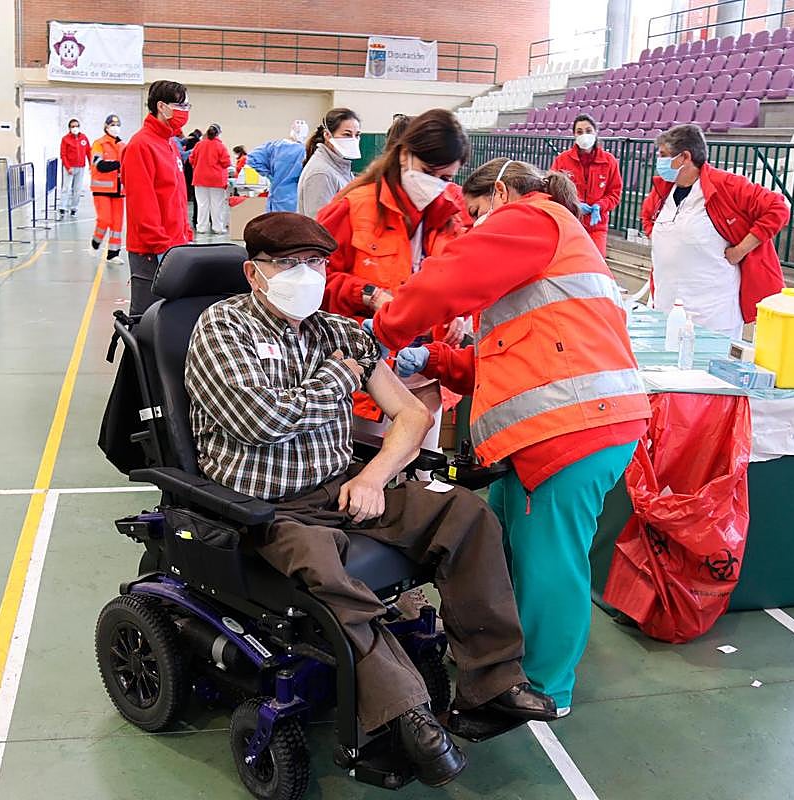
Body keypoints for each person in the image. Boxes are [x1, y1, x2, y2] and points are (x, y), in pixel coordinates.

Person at [184, 211, 557, 786]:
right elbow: (263, 422)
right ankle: (406, 714)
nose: (305, 275)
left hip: (342, 488)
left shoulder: (334, 330)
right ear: (255, 274)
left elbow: (409, 412)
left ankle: (492, 685)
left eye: (315, 264)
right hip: (265, 509)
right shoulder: (221, 329)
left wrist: (376, 476)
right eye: (289, 264)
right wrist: (337, 378)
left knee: (465, 513)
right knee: (330, 575)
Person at [369, 158, 652, 716]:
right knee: (501, 542)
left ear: (499, 193)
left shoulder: (530, 218)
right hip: (574, 424)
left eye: (475, 216)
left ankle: (545, 686)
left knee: (548, 560)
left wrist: (384, 330)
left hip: (571, 430)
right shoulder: (552, 244)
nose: (474, 229)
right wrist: (434, 358)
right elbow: (508, 355)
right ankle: (498, 659)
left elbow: (447, 278)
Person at [316, 109, 470, 455]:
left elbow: (460, 273)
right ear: (404, 155)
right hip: (369, 369)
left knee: (423, 474)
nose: (438, 185)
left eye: (447, 177)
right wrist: (368, 294)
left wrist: (459, 311)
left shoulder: (447, 212)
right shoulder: (352, 208)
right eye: (430, 173)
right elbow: (316, 282)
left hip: (426, 367)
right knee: (368, 472)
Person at [642, 123, 790, 337]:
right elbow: (647, 216)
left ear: (684, 157)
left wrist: (741, 249)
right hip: (666, 304)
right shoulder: (663, 189)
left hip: (712, 313)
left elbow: (777, 208)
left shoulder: (726, 185)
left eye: (663, 155)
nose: (659, 162)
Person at [122, 80, 194, 314]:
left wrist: (186, 235)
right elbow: (142, 205)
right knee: (146, 319)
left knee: (169, 317)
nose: (185, 111)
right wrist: (161, 248)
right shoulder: (140, 145)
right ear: (162, 107)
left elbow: (177, 197)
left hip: (176, 246)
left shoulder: (170, 144)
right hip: (152, 252)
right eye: (181, 105)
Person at [550, 114, 622, 257]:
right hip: (569, 223)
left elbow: (614, 193)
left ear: (595, 132)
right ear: (574, 135)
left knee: (596, 264)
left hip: (597, 226)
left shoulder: (609, 161)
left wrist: (600, 206)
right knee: (570, 263)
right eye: (580, 132)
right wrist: (573, 204)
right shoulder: (562, 160)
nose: (584, 135)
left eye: (588, 131)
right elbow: (552, 189)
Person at [298, 108, 361, 218]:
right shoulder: (321, 173)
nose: (353, 140)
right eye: (347, 134)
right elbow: (319, 223)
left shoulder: (340, 167)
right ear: (327, 135)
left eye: (357, 135)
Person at [246, 120, 309, 212]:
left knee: (274, 223)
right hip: (294, 198)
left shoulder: (274, 147)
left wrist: (269, 175)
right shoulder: (304, 151)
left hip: (276, 196)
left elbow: (252, 158)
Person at [90, 114, 126, 262]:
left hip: (119, 190)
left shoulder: (123, 145)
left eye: (118, 125)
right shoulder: (99, 144)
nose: (115, 128)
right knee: (105, 219)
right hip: (102, 189)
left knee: (117, 224)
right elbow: (99, 165)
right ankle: (96, 241)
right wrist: (118, 164)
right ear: (106, 126)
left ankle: (113, 254)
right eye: (112, 125)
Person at [188, 123, 231, 235]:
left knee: (202, 204)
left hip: (200, 179)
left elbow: (191, 160)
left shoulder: (199, 145)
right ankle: (218, 228)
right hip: (216, 180)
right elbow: (226, 163)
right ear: (218, 134)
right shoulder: (220, 146)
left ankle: (202, 228)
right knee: (217, 205)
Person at [59, 118, 91, 218]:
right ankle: (63, 207)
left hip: (81, 167)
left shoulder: (84, 138)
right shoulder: (65, 139)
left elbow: (88, 152)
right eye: (73, 126)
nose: (75, 128)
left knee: (77, 189)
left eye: (76, 126)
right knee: (66, 188)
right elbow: (63, 155)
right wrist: (68, 167)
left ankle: (74, 208)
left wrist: (91, 165)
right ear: (69, 128)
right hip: (69, 167)